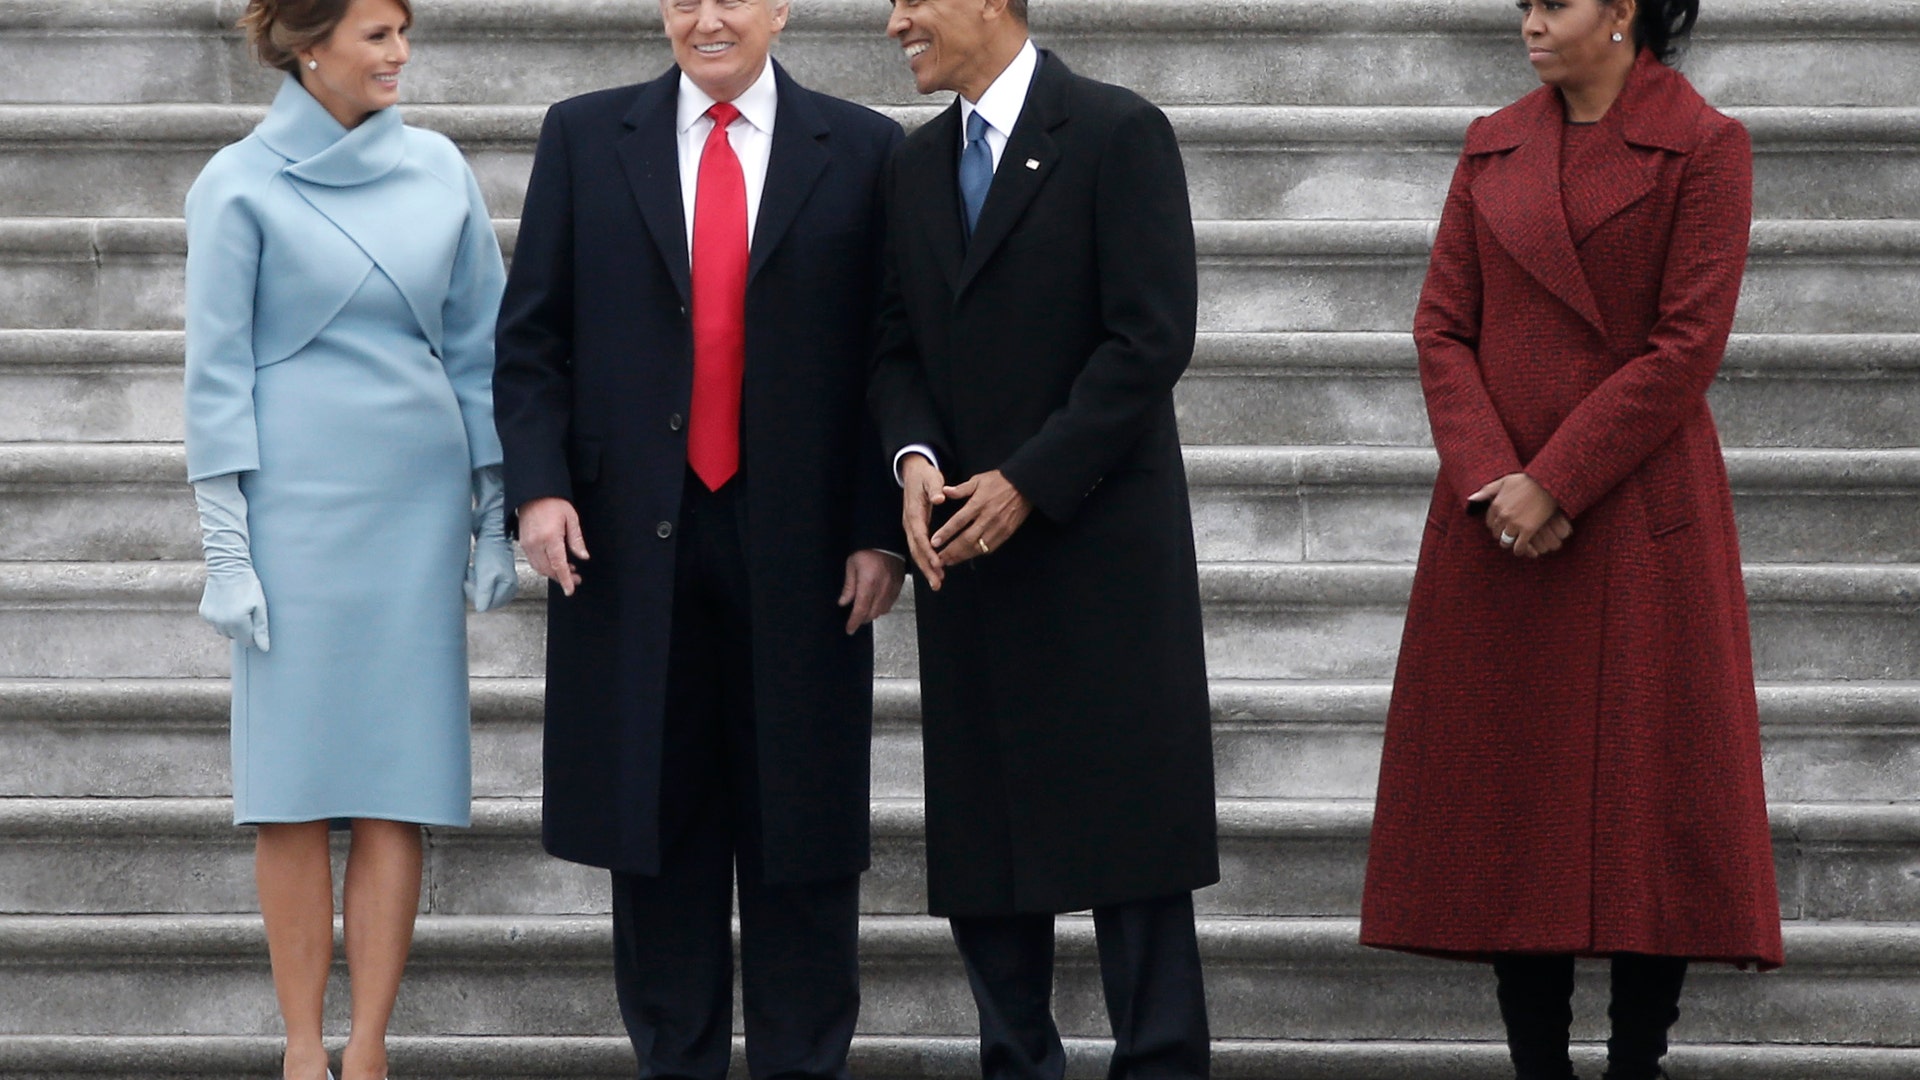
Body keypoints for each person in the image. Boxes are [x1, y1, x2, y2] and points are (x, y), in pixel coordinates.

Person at [1358, 2, 1784, 1078]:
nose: (1532, 23)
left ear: (1623, 13)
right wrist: (1495, 476)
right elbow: (1440, 324)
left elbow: (1687, 345)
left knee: (1656, 809)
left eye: (1554, 3)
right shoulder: (1493, 140)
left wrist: (1558, 478)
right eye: (1525, 6)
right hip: (1498, 523)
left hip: (1639, 518)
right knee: (1518, 807)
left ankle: (1637, 1062)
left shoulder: (1704, 144)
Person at [492, 0, 905, 1076]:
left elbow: (888, 350)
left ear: (780, 11)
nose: (706, 18)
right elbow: (532, 338)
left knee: (802, 841)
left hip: (807, 550)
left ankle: (801, 1060)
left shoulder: (861, 147)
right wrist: (538, 492)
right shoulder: (585, 135)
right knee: (659, 839)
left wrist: (879, 526)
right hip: (632, 544)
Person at [867, 1, 1219, 1076]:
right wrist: (915, 458)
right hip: (969, 563)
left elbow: (1151, 334)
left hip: (1099, 553)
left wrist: (1030, 479)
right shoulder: (913, 167)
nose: (894, 23)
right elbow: (891, 349)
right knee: (988, 857)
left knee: (1133, 852)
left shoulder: (1116, 134)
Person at [182, 1, 514, 1078]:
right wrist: (226, 551)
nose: (400, 54)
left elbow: (480, 350)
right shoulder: (234, 183)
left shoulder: (439, 170)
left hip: (411, 512)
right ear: (308, 43)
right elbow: (215, 379)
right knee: (291, 787)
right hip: (293, 512)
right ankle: (298, 1047)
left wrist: (494, 510)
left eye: (403, 32)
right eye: (377, 34)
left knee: (395, 783)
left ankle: (367, 1048)